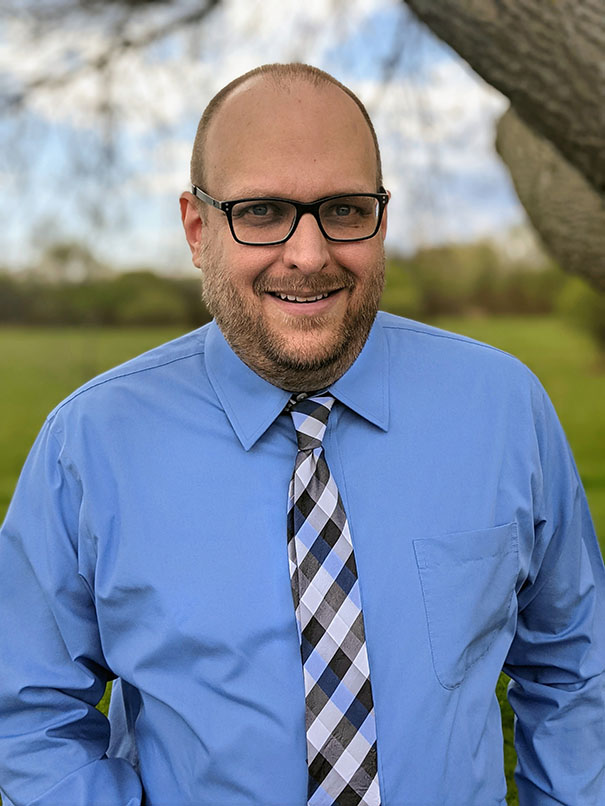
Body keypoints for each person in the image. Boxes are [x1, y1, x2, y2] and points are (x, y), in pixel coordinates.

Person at [0, 62, 603, 806]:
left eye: (344, 210)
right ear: (198, 228)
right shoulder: (89, 445)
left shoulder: (504, 408)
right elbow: (26, 716)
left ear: (380, 216)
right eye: (260, 211)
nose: (309, 254)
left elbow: (576, 667)